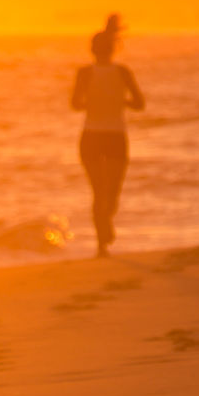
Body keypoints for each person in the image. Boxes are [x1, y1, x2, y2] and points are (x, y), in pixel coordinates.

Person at [71, 14, 145, 257]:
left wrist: (94, 101)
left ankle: (101, 243)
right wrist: (119, 100)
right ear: (113, 48)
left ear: (92, 50)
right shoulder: (122, 72)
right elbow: (139, 104)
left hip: (91, 136)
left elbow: (75, 104)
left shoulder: (85, 73)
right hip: (114, 136)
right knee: (111, 192)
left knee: (99, 191)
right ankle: (104, 231)